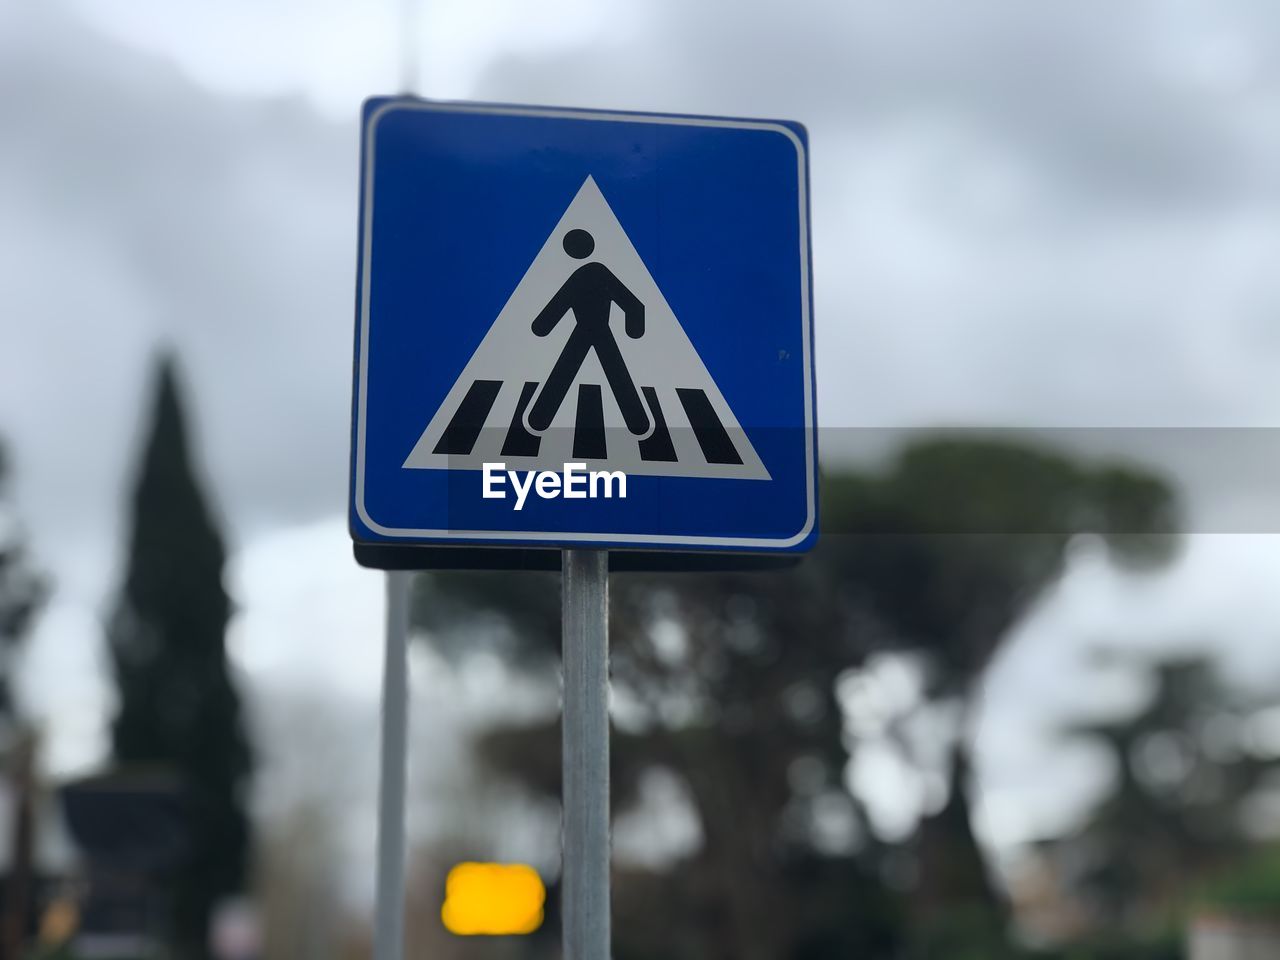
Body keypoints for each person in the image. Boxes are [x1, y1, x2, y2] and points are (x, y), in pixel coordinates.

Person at [526, 229, 651, 436]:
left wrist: (542, 327)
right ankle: (638, 423)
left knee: (566, 371)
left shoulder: (586, 274)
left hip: (589, 331)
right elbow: (633, 304)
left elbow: (557, 306)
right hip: (594, 331)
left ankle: (539, 418)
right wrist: (634, 329)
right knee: (615, 373)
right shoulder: (595, 272)